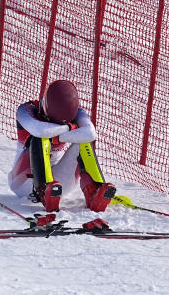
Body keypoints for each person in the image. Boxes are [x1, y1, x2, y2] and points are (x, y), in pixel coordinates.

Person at [7, 79, 116, 212]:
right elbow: (41, 131)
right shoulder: (27, 109)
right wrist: (70, 128)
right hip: (24, 182)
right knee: (40, 139)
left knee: (84, 142)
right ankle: (43, 190)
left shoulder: (79, 112)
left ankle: (94, 191)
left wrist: (60, 132)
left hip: (58, 187)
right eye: (53, 122)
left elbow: (90, 134)